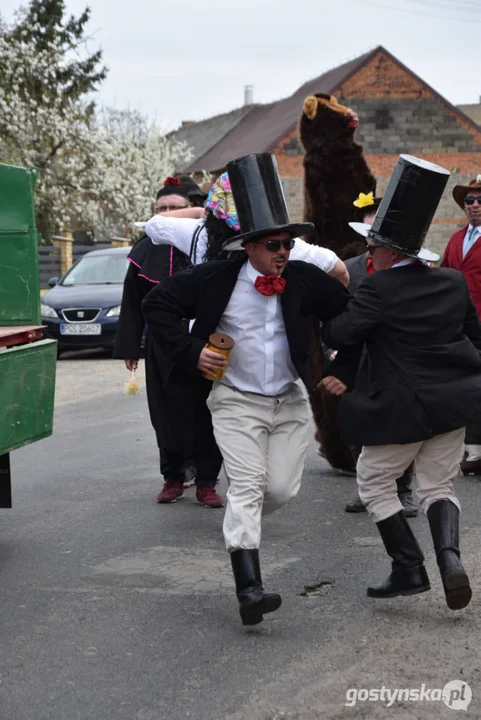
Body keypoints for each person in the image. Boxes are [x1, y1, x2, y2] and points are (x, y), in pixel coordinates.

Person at [143, 153, 357, 626]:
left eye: (288, 243)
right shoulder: (217, 279)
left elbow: (351, 308)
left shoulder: (303, 278)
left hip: (290, 401)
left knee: (277, 490)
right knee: (246, 486)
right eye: (274, 244)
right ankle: (250, 590)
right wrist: (192, 350)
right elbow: (157, 304)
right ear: (249, 247)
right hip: (236, 400)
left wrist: (354, 355)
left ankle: (247, 524)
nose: (283, 251)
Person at [322, 155, 481, 611]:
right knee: (439, 488)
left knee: (373, 483)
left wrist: (332, 302)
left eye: (373, 248)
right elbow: (475, 339)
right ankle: (450, 562)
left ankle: (408, 567)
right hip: (452, 406)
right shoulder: (451, 283)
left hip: (399, 408)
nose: (369, 255)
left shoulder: (376, 288)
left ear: (390, 251)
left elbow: (342, 334)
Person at [114, 176, 224, 508]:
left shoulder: (204, 245)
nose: (165, 214)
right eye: (160, 209)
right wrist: (130, 347)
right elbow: (133, 302)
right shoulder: (143, 252)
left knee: (207, 411)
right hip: (162, 345)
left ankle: (206, 482)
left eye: (173, 208)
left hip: (203, 342)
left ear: (189, 210)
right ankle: (173, 478)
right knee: (166, 414)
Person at [343, 192, 439, 517]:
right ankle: (366, 487)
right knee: (360, 422)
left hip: (399, 361)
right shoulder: (349, 270)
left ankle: (404, 491)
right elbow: (338, 317)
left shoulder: (416, 270)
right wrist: (334, 353)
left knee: (403, 424)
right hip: (360, 361)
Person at [144, 171, 350, 283]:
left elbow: (154, 224)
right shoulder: (281, 245)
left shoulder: (198, 233)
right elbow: (339, 269)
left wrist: (199, 213)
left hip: (209, 345)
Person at [441, 175, 481, 475]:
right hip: (459, 324)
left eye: (480, 200)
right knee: (467, 385)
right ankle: (474, 450)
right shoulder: (456, 239)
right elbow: (444, 277)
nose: (475, 205)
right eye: (470, 200)